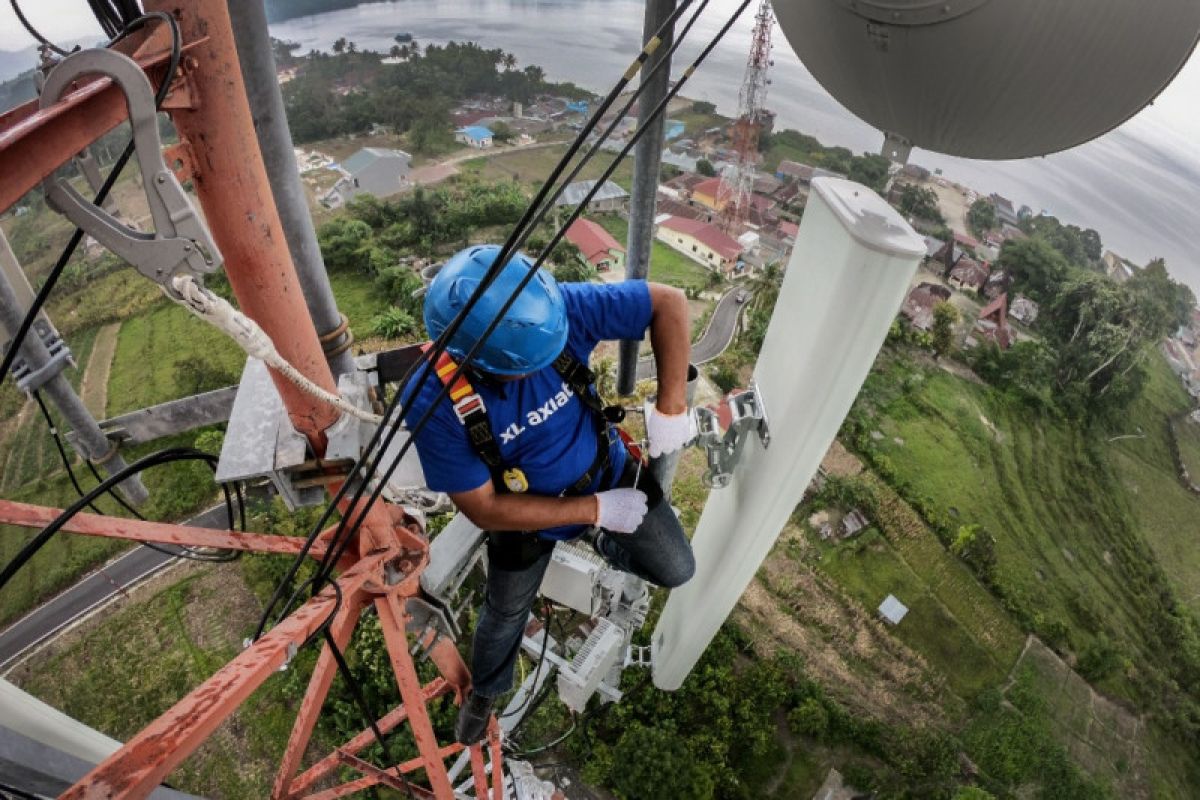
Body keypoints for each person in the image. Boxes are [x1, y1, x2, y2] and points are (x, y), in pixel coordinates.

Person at [402, 244, 696, 744]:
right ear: (483, 362)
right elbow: (483, 508)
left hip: (607, 470)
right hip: (525, 518)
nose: (539, 372)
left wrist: (670, 405)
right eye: (526, 369)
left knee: (677, 568)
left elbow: (668, 302)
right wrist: (595, 511)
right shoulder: (434, 398)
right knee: (503, 616)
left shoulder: (545, 313)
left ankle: (601, 539)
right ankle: (487, 691)